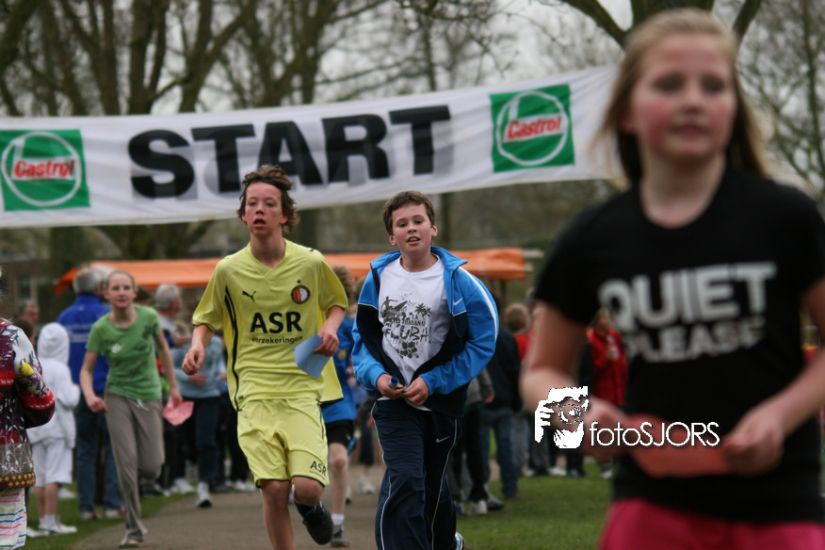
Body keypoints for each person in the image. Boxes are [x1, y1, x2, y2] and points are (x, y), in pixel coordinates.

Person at [521, 9, 825, 549]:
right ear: (627, 112)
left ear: (733, 108)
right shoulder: (592, 237)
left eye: (714, 86)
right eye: (668, 84)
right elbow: (540, 371)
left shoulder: (786, 217)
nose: (693, 100)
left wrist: (779, 417)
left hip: (778, 507)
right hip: (652, 507)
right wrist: (578, 415)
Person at [182, 164, 348, 550]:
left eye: (269, 203)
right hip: (254, 390)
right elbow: (206, 318)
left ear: (284, 215)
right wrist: (197, 345)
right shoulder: (228, 270)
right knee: (273, 488)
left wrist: (330, 327)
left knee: (307, 488)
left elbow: (336, 302)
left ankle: (310, 506)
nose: (259, 209)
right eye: (252, 203)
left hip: (302, 387)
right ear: (243, 214)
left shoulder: (310, 262)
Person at [352, 190, 498, 550]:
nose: (411, 228)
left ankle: (446, 542)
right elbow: (363, 338)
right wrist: (377, 377)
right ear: (392, 236)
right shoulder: (378, 277)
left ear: (433, 228)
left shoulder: (460, 282)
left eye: (418, 221)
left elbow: (483, 341)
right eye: (402, 224)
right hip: (393, 402)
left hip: (441, 404)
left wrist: (434, 381)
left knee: (431, 486)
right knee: (406, 480)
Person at [80, 270, 183, 549]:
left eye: (126, 287)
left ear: (134, 293)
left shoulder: (149, 318)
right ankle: (133, 529)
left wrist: (173, 387)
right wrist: (90, 395)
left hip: (149, 394)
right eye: (116, 288)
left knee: (151, 467)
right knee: (125, 465)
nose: (122, 292)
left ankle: (144, 472)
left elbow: (164, 351)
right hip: (117, 396)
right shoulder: (101, 328)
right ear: (107, 294)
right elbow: (86, 370)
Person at [57, 266, 123, 521]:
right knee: (113, 447)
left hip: (76, 391)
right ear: (98, 288)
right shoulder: (107, 314)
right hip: (106, 388)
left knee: (85, 449)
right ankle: (112, 503)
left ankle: (86, 507)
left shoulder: (63, 317)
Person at [0, 267, 55, 549]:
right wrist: (29, 378)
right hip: (7, 449)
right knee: (5, 532)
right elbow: (40, 403)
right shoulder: (12, 337)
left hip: (8, 452)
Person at [28, 323, 80, 536]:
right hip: (58, 429)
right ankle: (50, 522)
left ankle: (43, 521)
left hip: (37, 428)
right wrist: (76, 390)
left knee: (40, 477)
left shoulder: (35, 365)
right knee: (54, 476)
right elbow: (69, 399)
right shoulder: (61, 369)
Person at [321, 266, 359, 547]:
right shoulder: (305, 323)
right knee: (303, 480)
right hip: (305, 401)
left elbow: (365, 357)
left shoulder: (350, 327)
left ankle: (336, 525)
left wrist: (359, 370)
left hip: (339, 401)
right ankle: (307, 502)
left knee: (338, 461)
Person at [172, 323, 225, 509]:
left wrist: (222, 373)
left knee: (206, 440)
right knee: (186, 441)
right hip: (185, 397)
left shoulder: (217, 342)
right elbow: (171, 365)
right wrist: (188, 376)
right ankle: (188, 470)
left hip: (209, 396)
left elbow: (218, 363)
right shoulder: (182, 342)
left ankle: (204, 485)